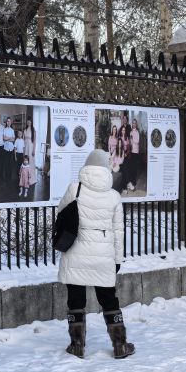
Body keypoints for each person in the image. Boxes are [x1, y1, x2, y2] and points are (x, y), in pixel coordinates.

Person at [58, 149, 133, 359]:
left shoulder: (75, 189)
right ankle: (120, 345)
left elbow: (61, 213)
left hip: (76, 251)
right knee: (109, 299)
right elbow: (118, 232)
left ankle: (77, 345)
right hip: (103, 254)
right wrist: (117, 260)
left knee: (75, 299)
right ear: (106, 168)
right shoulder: (114, 196)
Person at [1, 117, 17, 194]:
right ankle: (6, 178)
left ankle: (10, 178)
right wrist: (9, 138)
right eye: (7, 121)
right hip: (6, 149)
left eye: (10, 121)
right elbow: (4, 138)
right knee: (6, 164)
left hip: (11, 149)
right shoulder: (4, 130)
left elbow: (13, 139)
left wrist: (8, 138)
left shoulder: (12, 130)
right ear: (6, 122)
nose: (8, 122)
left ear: (11, 122)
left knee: (10, 164)